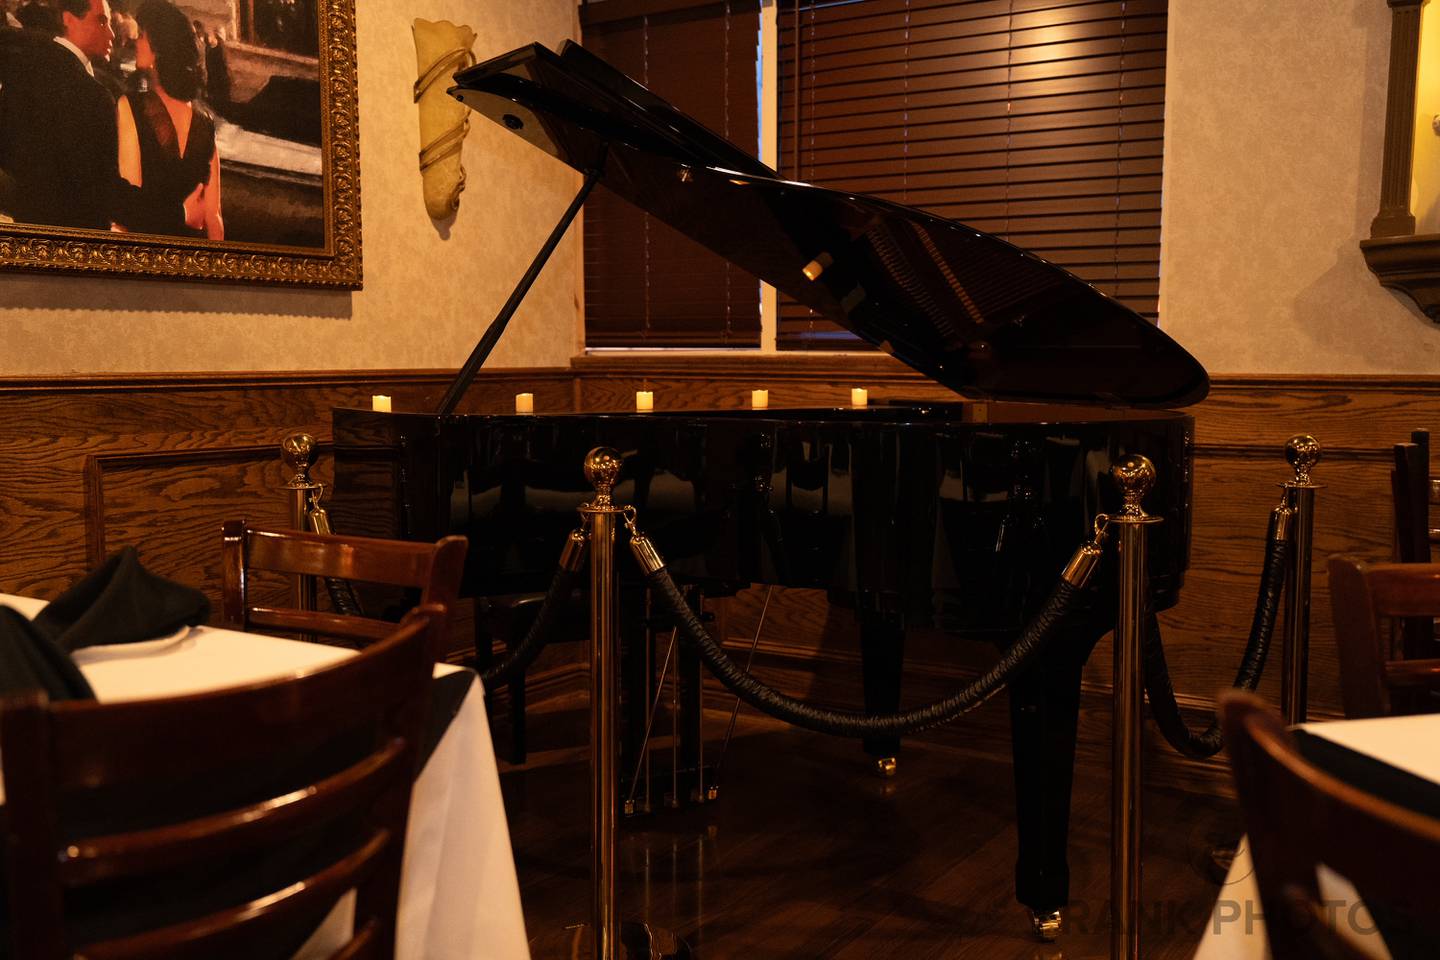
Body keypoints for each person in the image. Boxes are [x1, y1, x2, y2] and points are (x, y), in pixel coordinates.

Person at [0, 0, 201, 231]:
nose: (112, 33)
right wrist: (180, 213)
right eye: (101, 21)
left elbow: (8, 150)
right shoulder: (93, 96)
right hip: (81, 238)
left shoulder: (24, 72)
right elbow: (106, 192)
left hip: (30, 230)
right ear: (68, 19)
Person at [116, 0, 220, 238]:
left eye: (142, 35)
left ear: (158, 49)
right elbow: (214, 218)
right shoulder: (205, 122)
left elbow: (131, 204)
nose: (136, 42)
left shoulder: (132, 107)